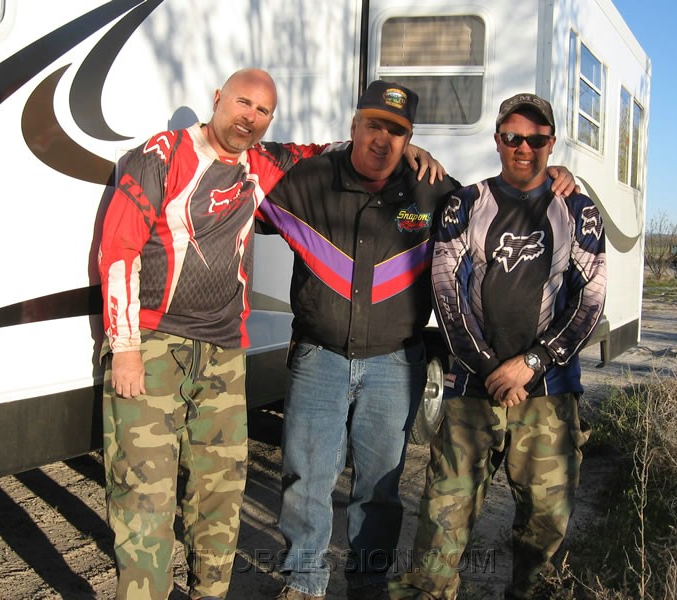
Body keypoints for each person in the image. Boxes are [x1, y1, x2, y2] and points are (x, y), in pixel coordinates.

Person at [99, 68, 442, 600]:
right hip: (164, 345)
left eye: (262, 112)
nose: (249, 118)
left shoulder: (268, 164)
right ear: (217, 99)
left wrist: (423, 155)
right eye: (242, 104)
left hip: (243, 356)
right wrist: (124, 348)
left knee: (227, 495)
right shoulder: (165, 157)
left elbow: (334, 152)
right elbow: (117, 249)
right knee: (153, 496)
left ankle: (236, 591)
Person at [256, 83, 579, 600]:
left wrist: (561, 175)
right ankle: (303, 583)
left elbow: (512, 195)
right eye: (373, 126)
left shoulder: (437, 191)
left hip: (395, 362)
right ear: (354, 125)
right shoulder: (308, 180)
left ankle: (368, 584)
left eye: (398, 131)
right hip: (319, 356)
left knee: (381, 489)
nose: (382, 140)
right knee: (305, 481)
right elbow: (246, 175)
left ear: (411, 138)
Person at [388, 93, 607, 600]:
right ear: (497, 140)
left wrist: (531, 364)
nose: (523, 148)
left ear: (551, 143)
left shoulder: (578, 210)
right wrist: (491, 368)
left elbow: (589, 301)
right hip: (471, 389)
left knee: (544, 530)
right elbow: (445, 292)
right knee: (443, 519)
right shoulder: (466, 204)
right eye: (512, 137)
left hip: (549, 394)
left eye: (536, 138)